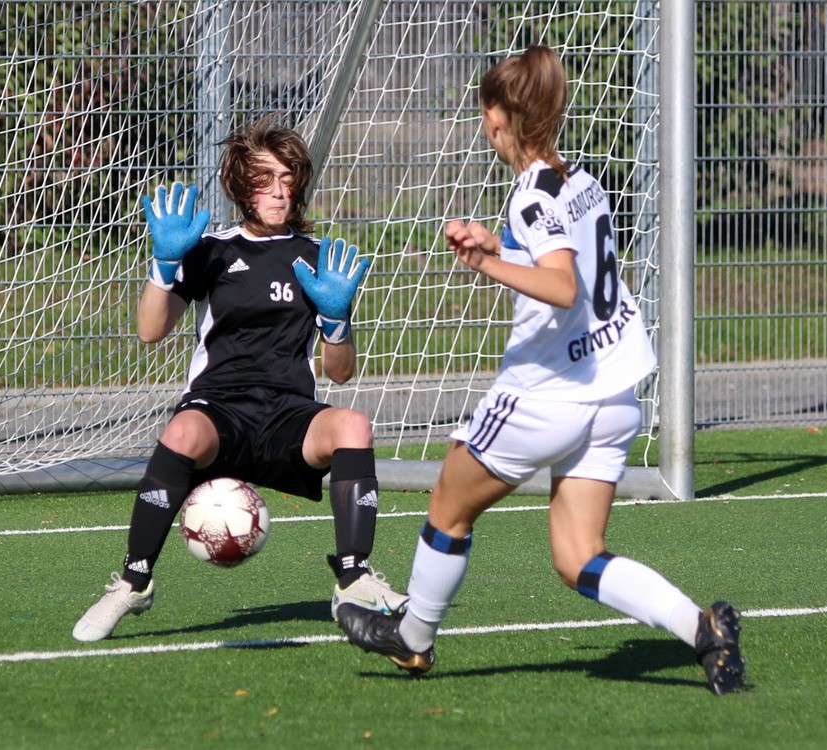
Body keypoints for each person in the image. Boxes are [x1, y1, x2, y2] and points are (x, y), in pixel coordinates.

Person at [336, 46, 746, 696]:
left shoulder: (531, 196)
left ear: (499, 116)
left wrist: (485, 264)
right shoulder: (578, 180)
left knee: (448, 500)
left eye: (484, 110)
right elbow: (564, 253)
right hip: (614, 394)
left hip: (550, 397)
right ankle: (704, 631)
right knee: (576, 555)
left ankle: (412, 639)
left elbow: (560, 285)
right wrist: (501, 244)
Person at [73, 115, 407, 642]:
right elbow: (149, 330)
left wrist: (337, 320)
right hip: (220, 408)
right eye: (264, 179)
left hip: (288, 415)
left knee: (353, 425)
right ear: (241, 187)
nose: (279, 191)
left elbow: (340, 374)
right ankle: (133, 583)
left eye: (287, 178)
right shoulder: (214, 250)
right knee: (180, 432)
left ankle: (354, 578)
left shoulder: (317, 259)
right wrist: (164, 264)